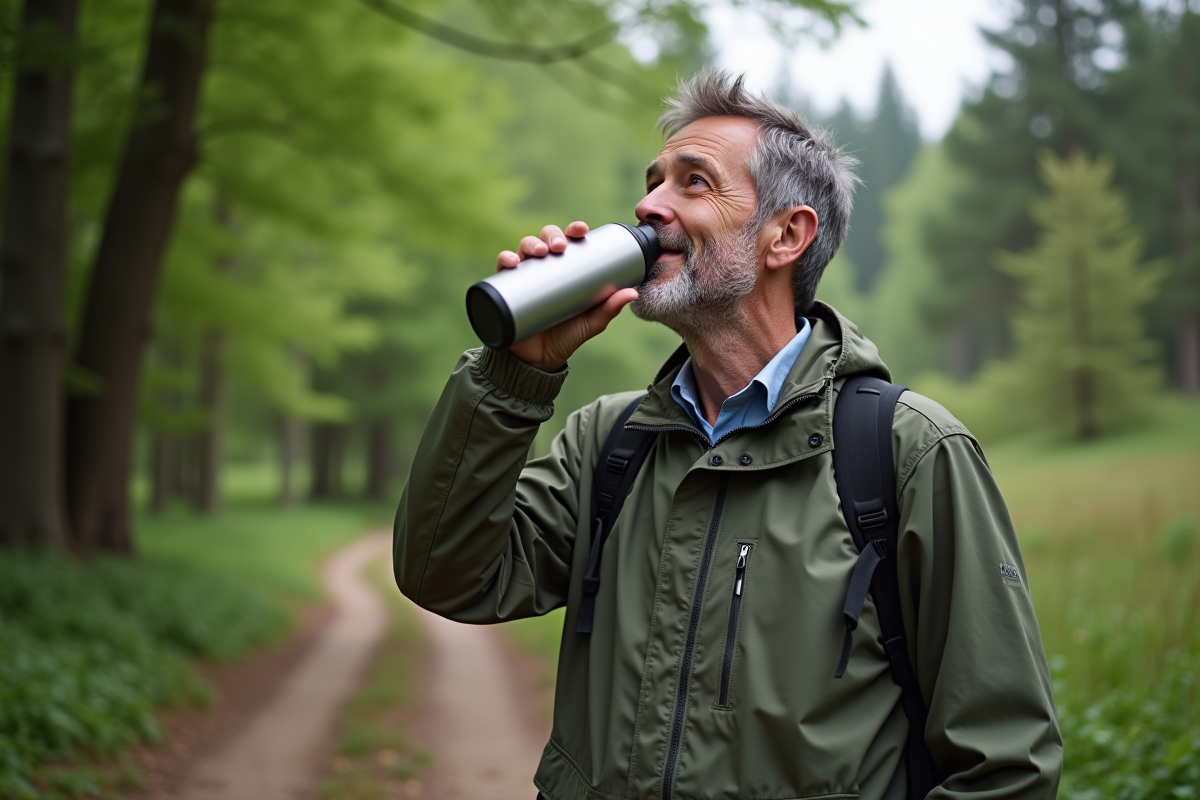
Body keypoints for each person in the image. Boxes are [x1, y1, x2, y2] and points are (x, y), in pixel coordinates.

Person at [393, 70, 1062, 800]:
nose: (649, 206)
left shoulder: (905, 452)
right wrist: (514, 377)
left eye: (694, 182)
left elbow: (1005, 763)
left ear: (786, 235)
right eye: (652, 182)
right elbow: (444, 573)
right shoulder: (611, 443)